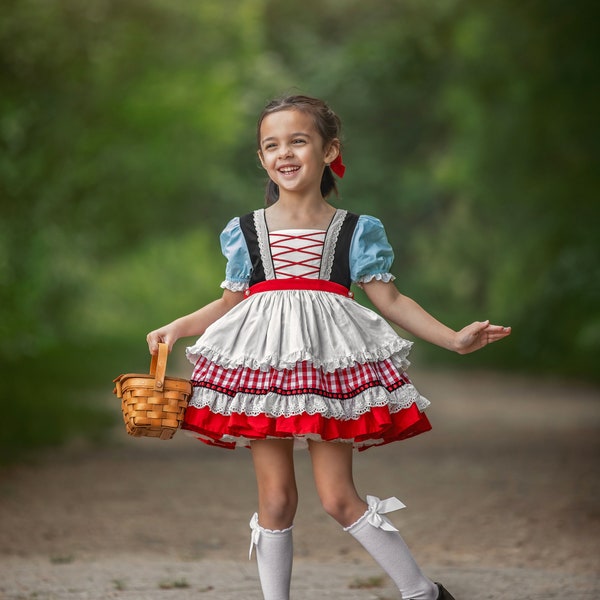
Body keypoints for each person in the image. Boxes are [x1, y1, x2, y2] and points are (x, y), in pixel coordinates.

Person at [146, 94, 511, 600]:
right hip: (265, 375)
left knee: (339, 498)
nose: (285, 153)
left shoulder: (356, 231)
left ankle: (422, 593)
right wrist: (177, 327)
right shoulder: (246, 232)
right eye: (271, 145)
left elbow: (392, 298)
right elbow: (229, 302)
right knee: (275, 500)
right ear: (261, 159)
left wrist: (453, 338)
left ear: (329, 149)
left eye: (298, 140)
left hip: (327, 375)